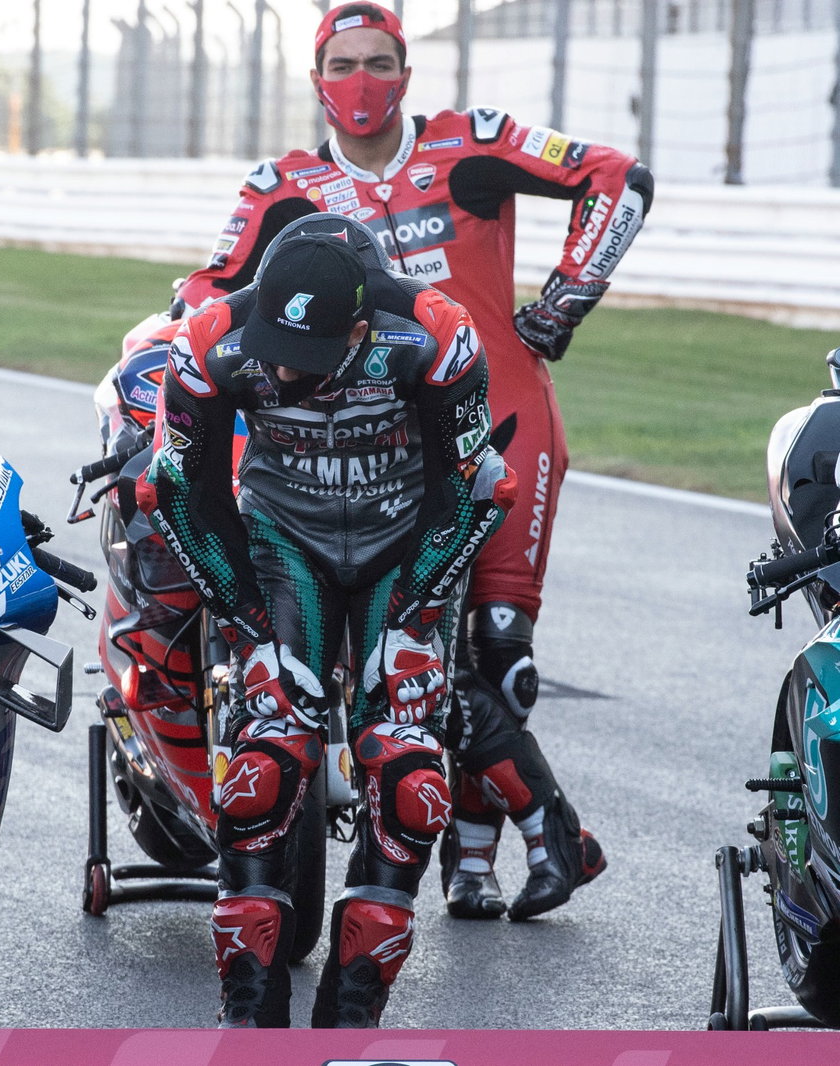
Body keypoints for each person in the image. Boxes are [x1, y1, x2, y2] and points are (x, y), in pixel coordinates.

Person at [176, 1, 653, 923]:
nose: (364, 81)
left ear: (407, 70)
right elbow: (208, 287)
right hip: (367, 462)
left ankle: (481, 862)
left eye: (382, 61)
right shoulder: (281, 183)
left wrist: (566, 297)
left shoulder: (474, 142)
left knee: (500, 657)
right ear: (317, 78)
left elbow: (619, 176)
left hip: (502, 423)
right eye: (345, 63)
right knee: (405, 662)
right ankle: (526, 844)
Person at [148, 220, 516, 1026]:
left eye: (304, 354)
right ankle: (249, 1011)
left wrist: (411, 616)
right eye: (273, 346)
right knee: (265, 760)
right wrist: (246, 625)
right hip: (282, 545)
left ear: (358, 328)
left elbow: (470, 494)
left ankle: (353, 1013)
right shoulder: (207, 345)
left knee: (410, 773)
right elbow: (181, 495)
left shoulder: (438, 334)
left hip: (408, 546)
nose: (281, 369)